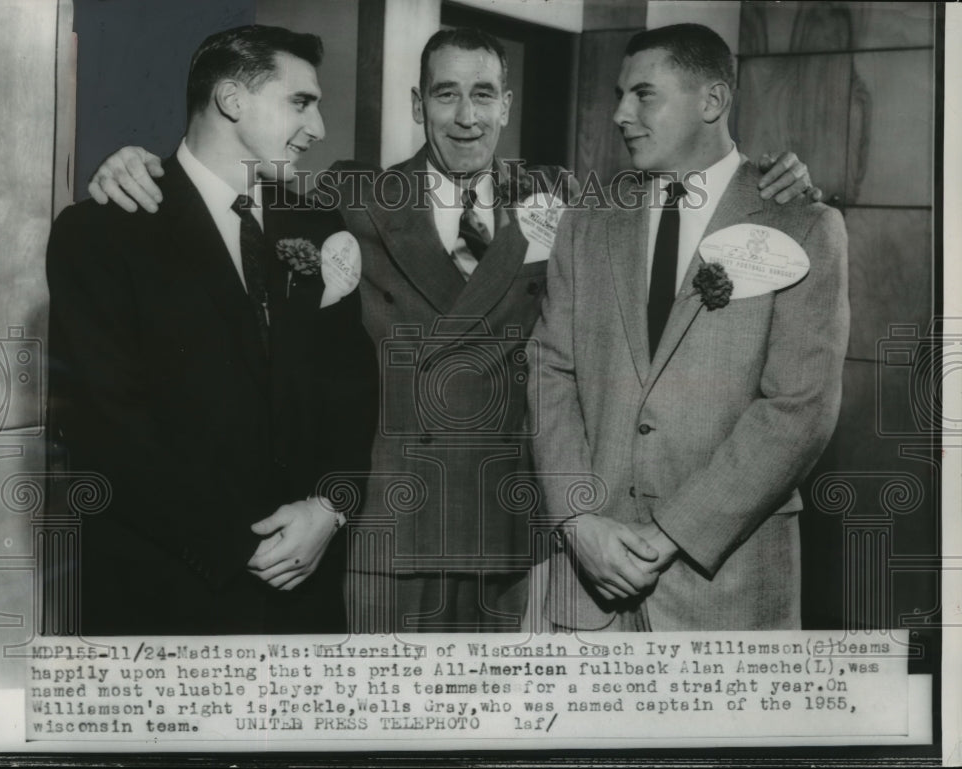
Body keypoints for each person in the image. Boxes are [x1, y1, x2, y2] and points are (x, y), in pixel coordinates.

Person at [85, 26, 817, 633]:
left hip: (510, 528)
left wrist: (779, 176)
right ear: (417, 104)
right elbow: (228, 177)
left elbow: (693, 190)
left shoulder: (569, 197)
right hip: (386, 527)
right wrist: (130, 163)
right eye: (445, 94)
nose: (466, 116)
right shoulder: (352, 193)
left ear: (507, 104)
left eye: (483, 94)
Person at [46, 25, 377, 635]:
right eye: (301, 102)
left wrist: (330, 509)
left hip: (305, 589)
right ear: (231, 100)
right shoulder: (101, 231)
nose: (319, 128)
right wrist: (238, 546)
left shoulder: (319, 222)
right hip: (166, 593)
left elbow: (353, 390)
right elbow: (104, 424)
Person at [529, 23, 849, 631]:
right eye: (619, 94)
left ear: (712, 101)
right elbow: (551, 371)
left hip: (728, 591)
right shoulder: (587, 220)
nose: (621, 113)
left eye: (644, 94)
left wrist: (670, 534)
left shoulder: (803, 224)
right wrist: (578, 521)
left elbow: (799, 409)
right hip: (590, 581)